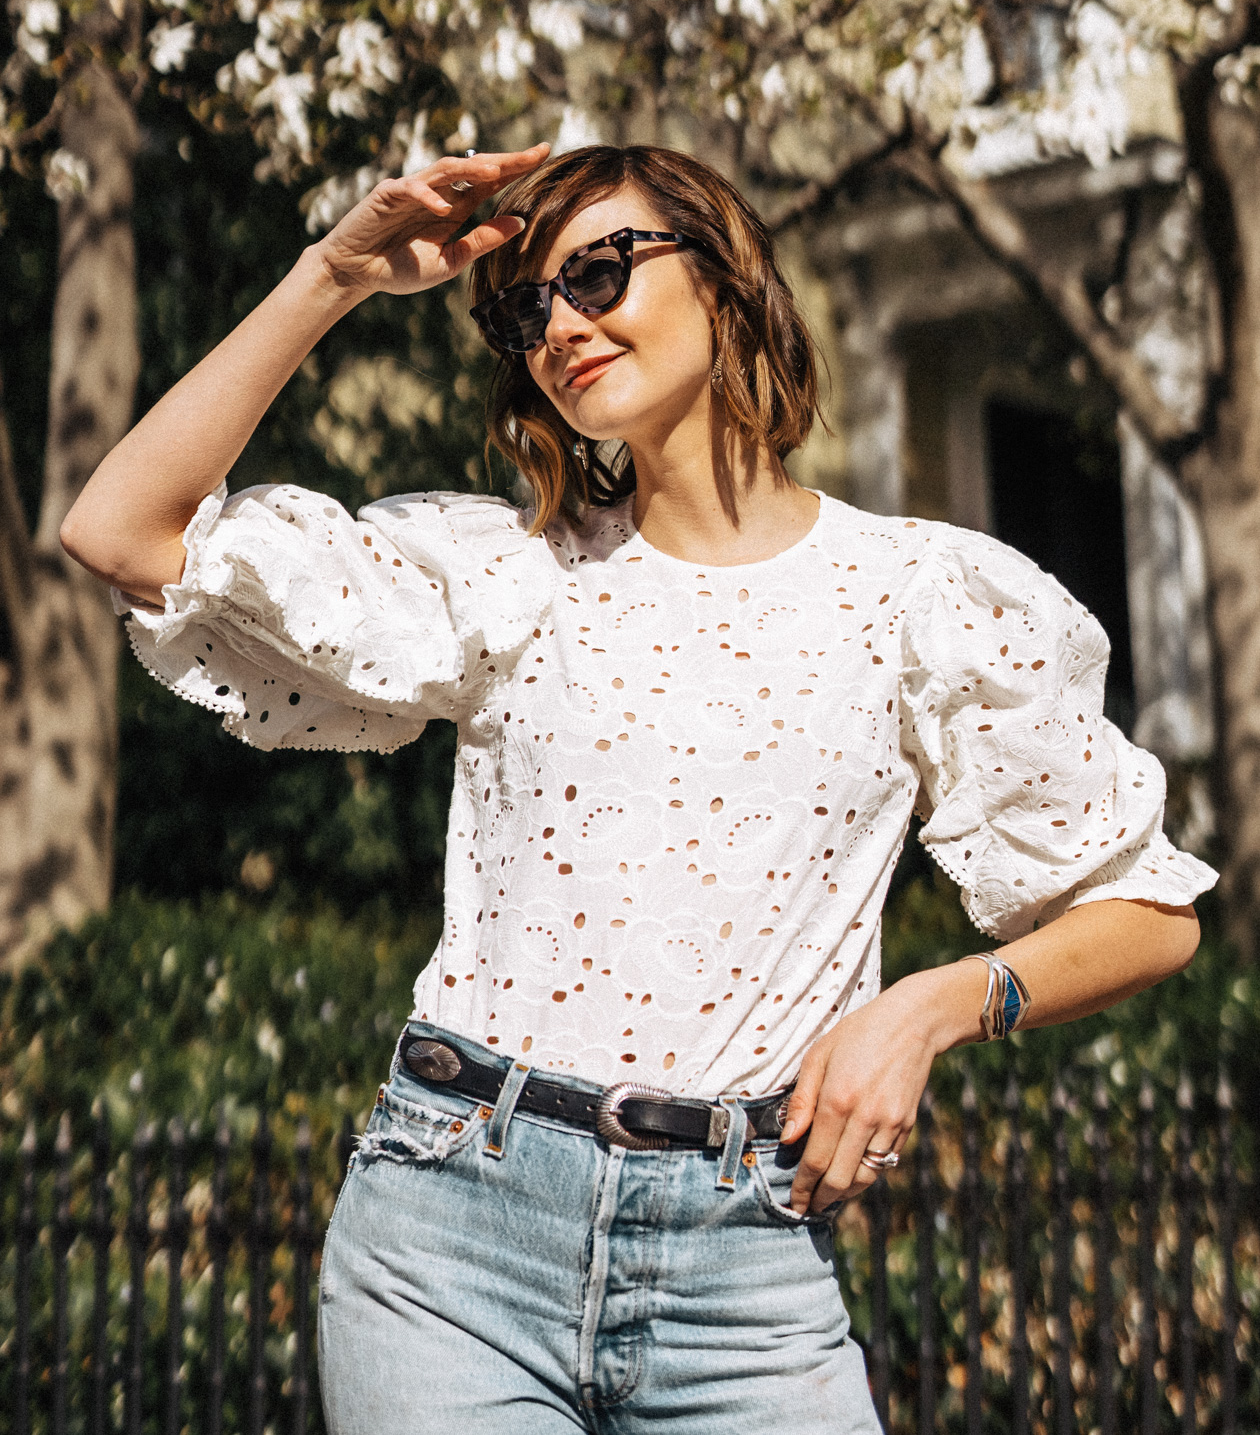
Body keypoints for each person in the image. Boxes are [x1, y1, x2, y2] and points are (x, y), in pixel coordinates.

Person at [62, 140, 1215, 1434]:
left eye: (601, 272)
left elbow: (1150, 911)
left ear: (724, 279)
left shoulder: (921, 599)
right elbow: (124, 532)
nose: (561, 322)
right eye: (527, 305)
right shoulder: (510, 575)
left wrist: (939, 1004)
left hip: (747, 1270)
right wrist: (331, 274)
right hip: (453, 1245)